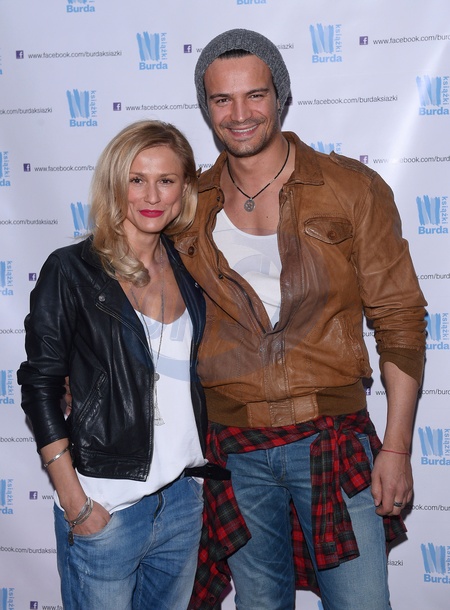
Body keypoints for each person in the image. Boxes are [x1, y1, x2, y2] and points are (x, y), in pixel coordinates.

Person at [174, 30, 427, 610]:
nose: (240, 114)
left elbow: (400, 320)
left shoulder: (350, 187)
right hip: (233, 448)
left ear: (281, 96)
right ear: (206, 107)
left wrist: (396, 449)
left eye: (255, 95)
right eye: (221, 99)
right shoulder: (189, 202)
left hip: (331, 439)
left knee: (362, 602)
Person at [17, 120, 229, 610]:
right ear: (115, 185)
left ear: (184, 190)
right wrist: (75, 502)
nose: (151, 195)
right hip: (104, 508)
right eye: (137, 179)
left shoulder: (191, 268)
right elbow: (39, 385)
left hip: (180, 504)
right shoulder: (71, 270)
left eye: (166, 180)